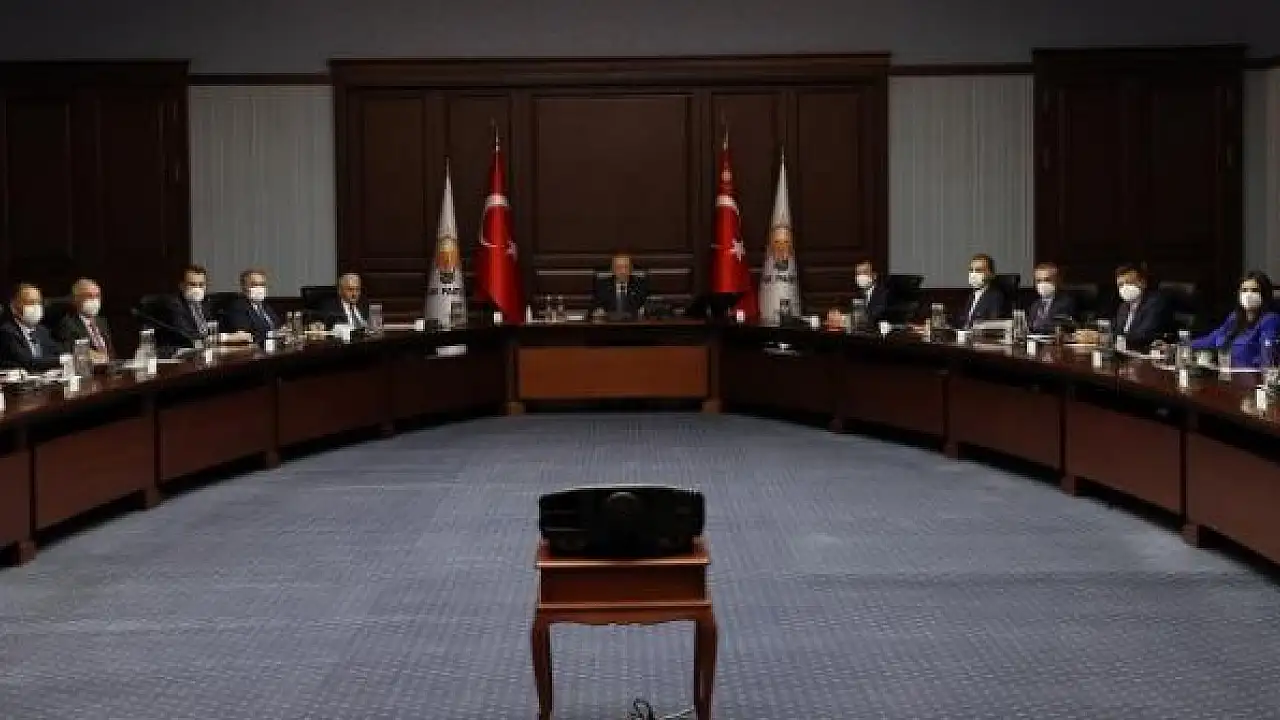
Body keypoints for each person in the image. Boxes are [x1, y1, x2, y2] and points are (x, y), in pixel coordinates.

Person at [1188, 271, 1280, 367]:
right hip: (1228, 372)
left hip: (1252, 374)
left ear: (1264, 295)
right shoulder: (1235, 317)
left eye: (1255, 290)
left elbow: (1267, 356)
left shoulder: (1270, 320)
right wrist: (1186, 345)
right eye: (1244, 290)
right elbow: (1213, 339)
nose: (1249, 294)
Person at [0, 283, 62, 372]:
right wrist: (61, 360)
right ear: (14, 307)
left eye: (39, 303)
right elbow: (27, 362)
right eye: (31, 302)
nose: (36, 307)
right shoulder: (7, 332)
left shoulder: (42, 331)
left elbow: (56, 352)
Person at [155, 264, 216, 353]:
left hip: (203, 351)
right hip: (179, 352)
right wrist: (209, 341)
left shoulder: (206, 302)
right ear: (182, 286)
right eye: (192, 285)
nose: (197, 289)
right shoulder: (173, 304)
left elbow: (214, 328)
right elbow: (187, 335)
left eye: (201, 285)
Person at [1111, 264, 1172, 351]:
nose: (1124, 288)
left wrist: (1117, 338)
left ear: (1143, 283)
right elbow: (1115, 330)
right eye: (1120, 285)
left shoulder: (1155, 303)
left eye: (1129, 283)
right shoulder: (1123, 306)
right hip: (1124, 350)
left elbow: (1144, 335)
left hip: (1145, 351)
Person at [55, 278, 114, 362]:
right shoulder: (68, 324)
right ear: (76, 299)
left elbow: (111, 353)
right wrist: (88, 353)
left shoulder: (102, 321)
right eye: (89, 296)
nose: (95, 300)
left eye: (97, 296)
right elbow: (71, 350)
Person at [222, 268, 281, 345]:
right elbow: (247, 334)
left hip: (272, 345)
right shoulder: (238, 307)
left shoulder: (265, 306)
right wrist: (274, 334)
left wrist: (283, 331)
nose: (259, 288)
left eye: (262, 284)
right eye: (254, 284)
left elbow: (277, 326)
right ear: (244, 287)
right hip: (253, 348)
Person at [956, 253, 1004, 329]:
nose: (973, 274)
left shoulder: (996, 297)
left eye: (979, 270)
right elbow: (964, 322)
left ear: (991, 274)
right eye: (971, 270)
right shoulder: (972, 295)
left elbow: (992, 326)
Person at [1025, 262, 1076, 334]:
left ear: (1057, 281)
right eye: (1038, 281)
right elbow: (1029, 326)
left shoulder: (1065, 302)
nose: (1042, 284)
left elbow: (1059, 326)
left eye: (1047, 280)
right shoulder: (1035, 304)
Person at [851, 259, 888, 325]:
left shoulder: (884, 294)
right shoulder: (857, 294)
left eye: (865, 272)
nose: (861, 276)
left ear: (874, 276)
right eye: (858, 273)